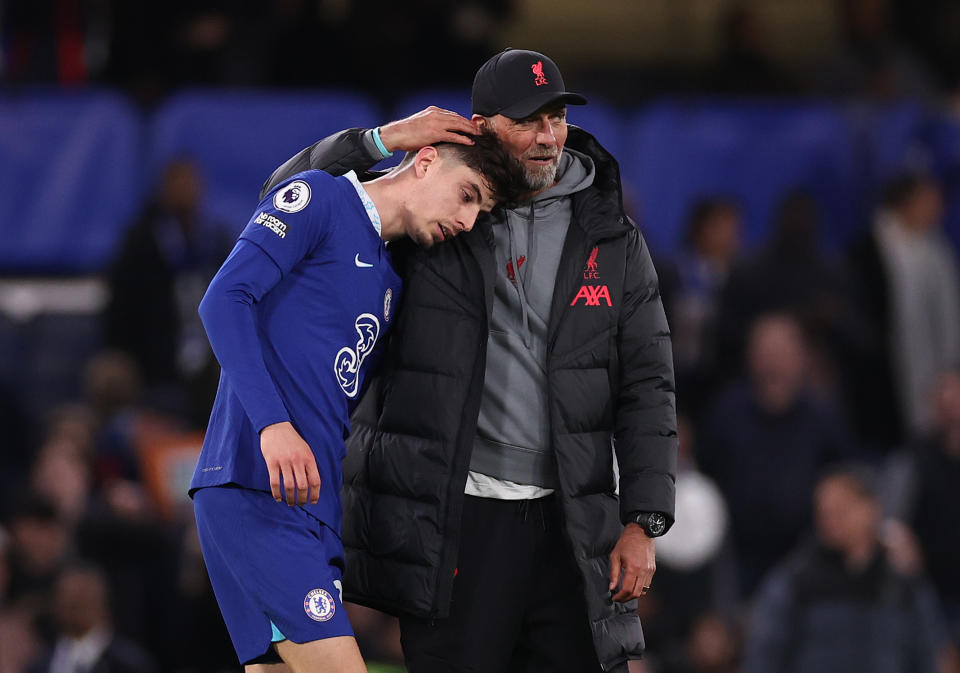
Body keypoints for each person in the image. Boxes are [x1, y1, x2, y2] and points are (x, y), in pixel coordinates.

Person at [260, 48, 678, 672]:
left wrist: (645, 520)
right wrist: (384, 139)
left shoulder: (612, 236)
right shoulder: (434, 212)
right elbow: (285, 198)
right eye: (528, 120)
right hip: (457, 520)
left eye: (556, 119)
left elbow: (649, 382)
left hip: (572, 522)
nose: (547, 137)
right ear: (480, 127)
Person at [189, 133, 521, 673]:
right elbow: (223, 299)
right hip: (256, 486)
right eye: (467, 194)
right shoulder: (323, 198)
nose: (467, 221)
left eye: (481, 211)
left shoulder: (390, 280)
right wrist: (273, 425)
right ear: (427, 162)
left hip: (311, 504)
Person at [743, 464, 950, 673]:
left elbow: (929, 655)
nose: (829, 518)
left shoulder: (902, 582)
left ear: (870, 509)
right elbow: (764, 657)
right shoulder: (796, 581)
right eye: (823, 510)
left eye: (841, 509)